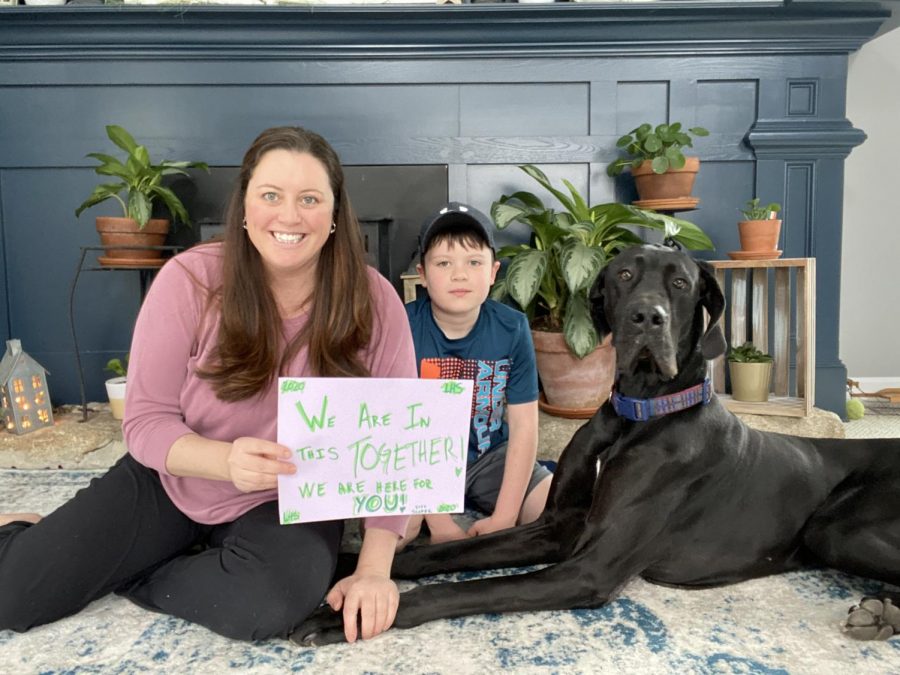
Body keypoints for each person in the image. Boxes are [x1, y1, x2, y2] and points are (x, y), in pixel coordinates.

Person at [0, 126, 417, 644]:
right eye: (271, 196)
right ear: (244, 207)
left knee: (268, 607)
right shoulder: (189, 279)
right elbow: (145, 422)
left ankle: (137, 571)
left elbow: (397, 446)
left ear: (335, 215)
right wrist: (225, 462)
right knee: (12, 598)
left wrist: (375, 570)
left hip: (290, 498)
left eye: (310, 199)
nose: (289, 216)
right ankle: (23, 533)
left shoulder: (375, 300)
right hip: (175, 477)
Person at [401, 202, 552, 548]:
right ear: (422, 273)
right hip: (420, 458)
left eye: (474, 262)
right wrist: (437, 521)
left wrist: (505, 516)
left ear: (493, 271)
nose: (460, 274)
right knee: (396, 532)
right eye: (443, 263)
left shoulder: (512, 328)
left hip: (489, 457)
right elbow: (399, 433)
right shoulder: (403, 327)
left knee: (557, 512)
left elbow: (525, 428)